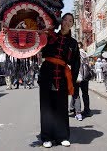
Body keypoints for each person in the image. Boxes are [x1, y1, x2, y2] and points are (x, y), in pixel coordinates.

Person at [38, 13, 80, 148]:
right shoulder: (51, 36)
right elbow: (40, 49)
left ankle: (62, 136)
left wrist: (72, 81)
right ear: (61, 22)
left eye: (70, 21)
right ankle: (46, 137)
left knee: (62, 107)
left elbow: (76, 63)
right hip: (46, 74)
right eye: (65, 19)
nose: (67, 22)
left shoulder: (73, 43)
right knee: (46, 107)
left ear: (72, 24)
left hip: (62, 75)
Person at [69, 42, 91, 121]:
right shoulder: (85, 54)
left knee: (76, 94)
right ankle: (87, 110)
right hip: (85, 76)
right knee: (85, 94)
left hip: (77, 76)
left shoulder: (74, 53)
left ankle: (78, 113)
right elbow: (88, 65)